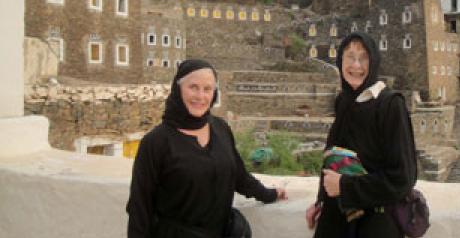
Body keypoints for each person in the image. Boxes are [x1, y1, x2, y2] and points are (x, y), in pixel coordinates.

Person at [127, 59, 287, 238]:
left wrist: (269, 194)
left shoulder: (220, 128)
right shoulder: (156, 142)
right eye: (193, 87)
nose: (201, 96)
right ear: (178, 88)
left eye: (207, 89)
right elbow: (140, 207)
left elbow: (239, 176)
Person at [305, 32, 418, 238]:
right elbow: (333, 158)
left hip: (375, 224)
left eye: (363, 58)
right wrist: (321, 200)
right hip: (336, 219)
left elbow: (403, 179)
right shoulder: (343, 101)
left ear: (373, 61)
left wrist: (344, 187)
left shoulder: (391, 105)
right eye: (350, 57)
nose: (356, 66)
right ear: (340, 61)